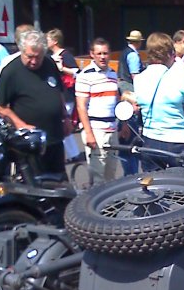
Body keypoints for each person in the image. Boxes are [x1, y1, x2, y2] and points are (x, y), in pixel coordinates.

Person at [0, 30, 70, 176]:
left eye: (38, 57)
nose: (34, 61)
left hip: (54, 138)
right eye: (29, 57)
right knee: (38, 189)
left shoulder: (49, 64)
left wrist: (65, 117)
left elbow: (58, 92)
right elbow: (0, 106)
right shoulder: (11, 71)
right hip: (30, 144)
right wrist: (21, 125)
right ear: (21, 51)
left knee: (59, 183)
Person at [133, 32, 184, 170]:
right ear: (168, 53)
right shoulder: (178, 78)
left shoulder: (139, 79)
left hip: (150, 140)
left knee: (152, 185)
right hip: (177, 142)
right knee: (183, 187)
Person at [75, 37, 119, 183]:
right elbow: (81, 106)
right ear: (92, 54)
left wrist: (123, 124)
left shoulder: (113, 73)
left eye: (105, 53)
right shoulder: (85, 76)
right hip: (96, 131)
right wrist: (89, 134)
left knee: (111, 176)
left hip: (113, 130)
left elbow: (117, 101)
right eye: (99, 53)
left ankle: (110, 206)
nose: (102, 57)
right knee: (97, 178)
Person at [46, 28, 81, 163]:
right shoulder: (51, 56)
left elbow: (77, 72)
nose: (46, 42)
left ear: (55, 41)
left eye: (48, 39)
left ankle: (73, 154)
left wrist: (62, 68)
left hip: (67, 94)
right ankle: (72, 153)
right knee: (60, 124)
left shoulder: (65, 55)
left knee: (63, 124)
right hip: (57, 93)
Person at [117, 29, 144, 94]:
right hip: (128, 85)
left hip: (121, 83)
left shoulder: (125, 51)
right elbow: (135, 75)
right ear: (138, 42)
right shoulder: (133, 55)